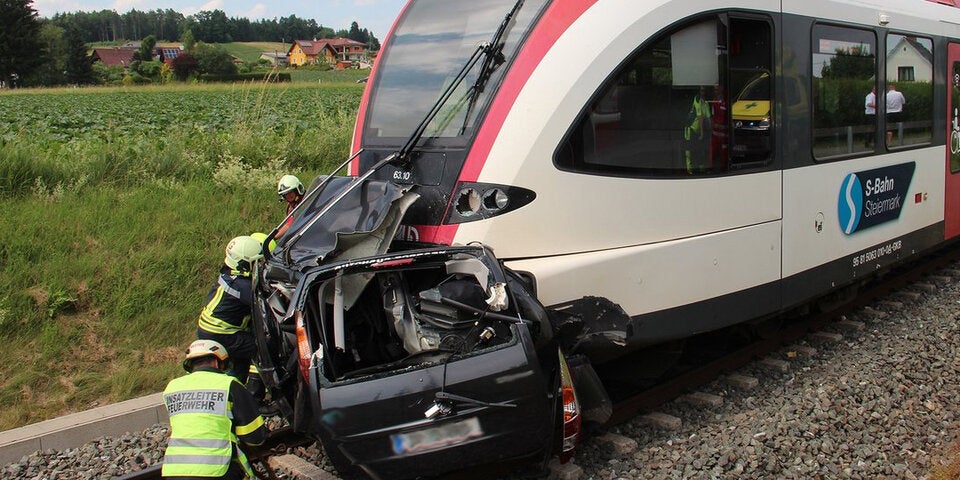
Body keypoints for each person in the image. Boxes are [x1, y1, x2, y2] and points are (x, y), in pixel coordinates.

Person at [161, 339, 267, 479]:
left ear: (191, 364)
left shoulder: (172, 387)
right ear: (218, 363)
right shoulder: (228, 384)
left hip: (174, 470)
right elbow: (254, 436)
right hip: (215, 470)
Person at [197, 236, 263, 384]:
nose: (260, 265)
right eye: (256, 262)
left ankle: (237, 386)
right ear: (243, 265)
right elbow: (262, 301)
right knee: (260, 348)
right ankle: (255, 392)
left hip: (212, 329)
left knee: (240, 360)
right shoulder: (241, 286)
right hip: (221, 333)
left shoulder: (229, 275)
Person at [684, 85, 711, 174]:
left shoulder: (705, 102)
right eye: (701, 90)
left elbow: (708, 118)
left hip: (699, 129)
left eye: (704, 90)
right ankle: (689, 170)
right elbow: (700, 117)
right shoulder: (697, 99)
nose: (703, 92)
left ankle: (701, 169)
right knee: (689, 150)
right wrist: (702, 133)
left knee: (700, 149)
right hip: (691, 128)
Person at [709, 83, 728, 171]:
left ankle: (724, 170)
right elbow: (712, 115)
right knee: (712, 153)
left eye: (717, 89)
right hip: (715, 134)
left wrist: (723, 127)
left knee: (724, 154)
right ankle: (710, 169)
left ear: (721, 88)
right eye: (714, 90)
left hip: (724, 135)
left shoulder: (726, 101)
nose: (715, 91)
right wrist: (712, 124)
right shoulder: (714, 100)